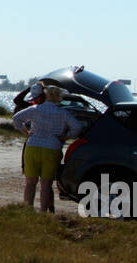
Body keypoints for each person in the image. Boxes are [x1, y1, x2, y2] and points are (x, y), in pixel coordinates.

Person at [12, 81, 84, 212]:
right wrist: (66, 137)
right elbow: (78, 127)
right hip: (52, 148)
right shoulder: (63, 113)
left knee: (30, 183)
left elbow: (16, 118)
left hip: (33, 146)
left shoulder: (35, 109)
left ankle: (27, 210)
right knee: (46, 184)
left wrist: (27, 134)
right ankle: (43, 212)